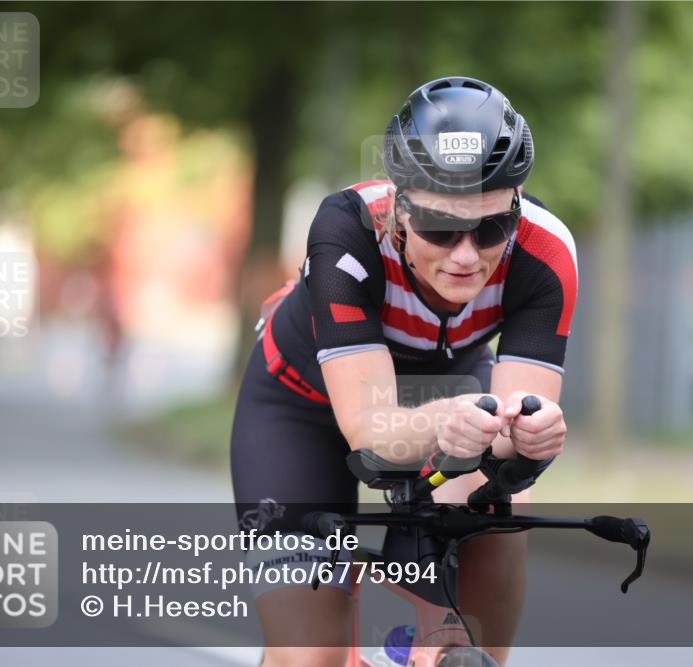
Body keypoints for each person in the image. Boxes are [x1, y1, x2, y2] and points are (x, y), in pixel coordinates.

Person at [230, 76, 578, 667]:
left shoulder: (545, 253)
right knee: (307, 655)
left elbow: (514, 446)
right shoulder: (347, 231)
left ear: (516, 208)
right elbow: (371, 432)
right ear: (400, 208)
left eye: (491, 228)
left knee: (491, 532)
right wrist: (447, 423)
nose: (466, 255)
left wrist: (534, 440)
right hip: (302, 410)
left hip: (451, 395)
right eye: (441, 229)